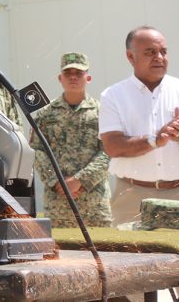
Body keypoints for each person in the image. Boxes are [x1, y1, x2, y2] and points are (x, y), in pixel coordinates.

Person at [100, 26, 179, 226]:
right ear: (130, 57)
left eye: (163, 52)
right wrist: (154, 141)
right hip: (132, 198)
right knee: (131, 257)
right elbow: (112, 146)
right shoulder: (113, 96)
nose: (159, 57)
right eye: (150, 52)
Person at [29, 53, 111, 227]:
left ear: (88, 78)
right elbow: (36, 149)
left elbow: (109, 150)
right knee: (61, 252)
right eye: (68, 73)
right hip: (58, 203)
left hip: (94, 204)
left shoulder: (102, 112)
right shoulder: (46, 113)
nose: (73, 77)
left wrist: (79, 181)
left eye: (78, 73)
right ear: (60, 78)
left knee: (104, 252)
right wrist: (57, 181)